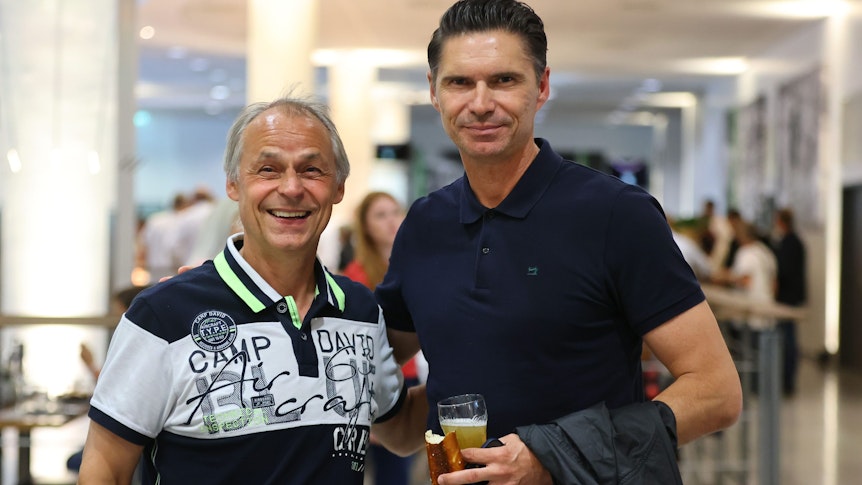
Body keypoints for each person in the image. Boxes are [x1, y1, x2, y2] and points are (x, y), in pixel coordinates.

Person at [375, 1, 742, 483]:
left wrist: (551, 455)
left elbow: (716, 392)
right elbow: (385, 387)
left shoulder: (615, 214)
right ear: (434, 91)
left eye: (504, 80)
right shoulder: (425, 224)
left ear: (542, 86)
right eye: (460, 82)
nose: (481, 103)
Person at [78, 95, 426, 484]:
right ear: (232, 183)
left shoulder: (360, 310)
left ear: (339, 187)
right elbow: (105, 468)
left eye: (312, 170)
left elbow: (400, 433)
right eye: (268, 169)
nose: (292, 188)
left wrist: (474, 349)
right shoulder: (163, 314)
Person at [341, 191, 420, 485]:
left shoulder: (415, 266)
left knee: (402, 471)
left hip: (411, 376)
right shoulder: (356, 275)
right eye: (380, 215)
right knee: (386, 474)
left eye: (394, 212)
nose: (391, 221)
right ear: (366, 226)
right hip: (375, 385)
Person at [771, 208, 806, 394]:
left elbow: (784, 271)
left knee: (788, 340)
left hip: (787, 298)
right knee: (787, 339)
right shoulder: (793, 241)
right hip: (789, 296)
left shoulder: (790, 243)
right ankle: (786, 379)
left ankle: (788, 381)